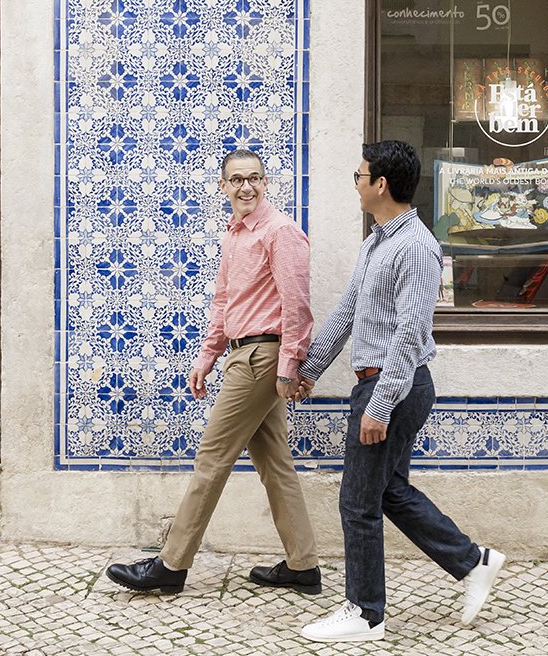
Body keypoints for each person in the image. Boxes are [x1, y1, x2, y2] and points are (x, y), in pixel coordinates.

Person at [293, 140, 505, 643]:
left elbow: (409, 337)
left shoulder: (417, 247)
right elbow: (348, 312)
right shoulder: (378, 241)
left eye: (359, 174)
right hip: (380, 384)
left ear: (380, 184)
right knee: (387, 491)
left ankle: (366, 614)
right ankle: (473, 562)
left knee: (357, 502)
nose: (356, 182)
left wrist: (381, 405)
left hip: (395, 386)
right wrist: (310, 368)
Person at [106, 149, 320, 596]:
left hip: (263, 357)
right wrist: (207, 356)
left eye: (255, 178)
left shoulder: (281, 232)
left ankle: (171, 565)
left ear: (267, 182)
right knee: (275, 463)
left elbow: (297, 305)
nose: (246, 187)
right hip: (241, 355)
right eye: (237, 179)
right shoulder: (235, 236)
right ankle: (303, 566)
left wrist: (288, 367)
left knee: (211, 458)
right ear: (222, 187)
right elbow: (224, 302)